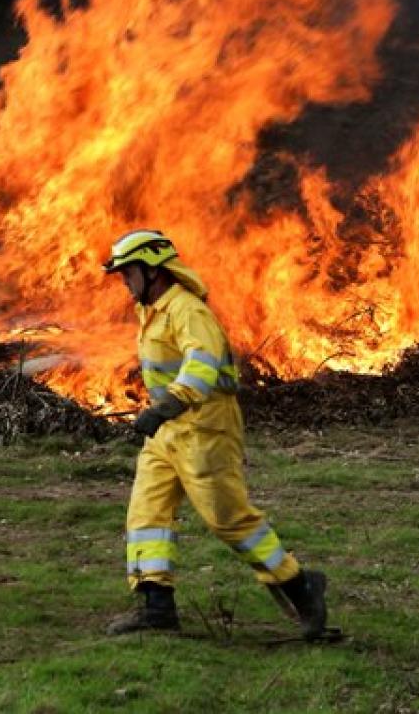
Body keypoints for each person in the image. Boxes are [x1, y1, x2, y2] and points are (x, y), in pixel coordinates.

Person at [102, 229, 329, 639]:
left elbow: (202, 364)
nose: (123, 281)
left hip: (206, 427)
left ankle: (300, 584)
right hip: (169, 431)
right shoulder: (153, 311)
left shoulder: (188, 311)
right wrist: (163, 413)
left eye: (128, 271)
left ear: (153, 270)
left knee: (229, 519)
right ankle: (156, 606)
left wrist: (169, 404)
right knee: (146, 513)